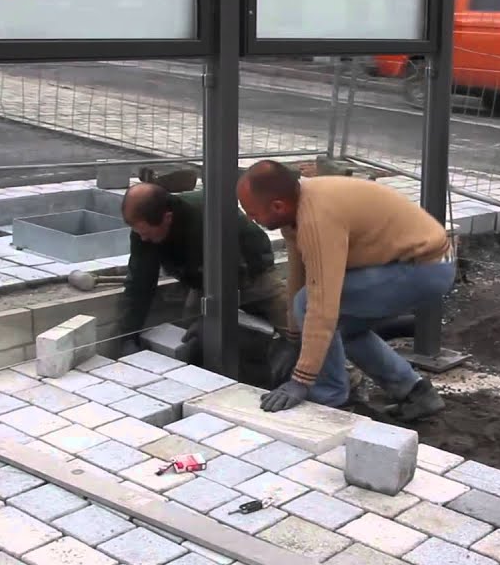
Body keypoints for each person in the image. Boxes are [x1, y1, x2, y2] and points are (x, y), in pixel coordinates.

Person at [235, 160, 454, 421]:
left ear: (278, 206)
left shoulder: (317, 218)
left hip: (424, 267)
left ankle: (329, 402)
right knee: (344, 329)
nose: (250, 219)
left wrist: (301, 380)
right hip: (408, 264)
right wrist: (294, 337)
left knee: (314, 307)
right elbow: (298, 275)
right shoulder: (297, 209)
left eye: (252, 212)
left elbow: (321, 303)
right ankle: (417, 392)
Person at [117, 182, 288, 361]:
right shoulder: (143, 230)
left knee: (291, 322)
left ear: (167, 218)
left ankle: (304, 373)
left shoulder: (206, 218)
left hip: (252, 270)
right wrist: (128, 336)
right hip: (203, 278)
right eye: (140, 233)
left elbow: (233, 273)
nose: (143, 239)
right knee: (189, 336)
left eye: (148, 234)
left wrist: (208, 321)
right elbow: (139, 283)